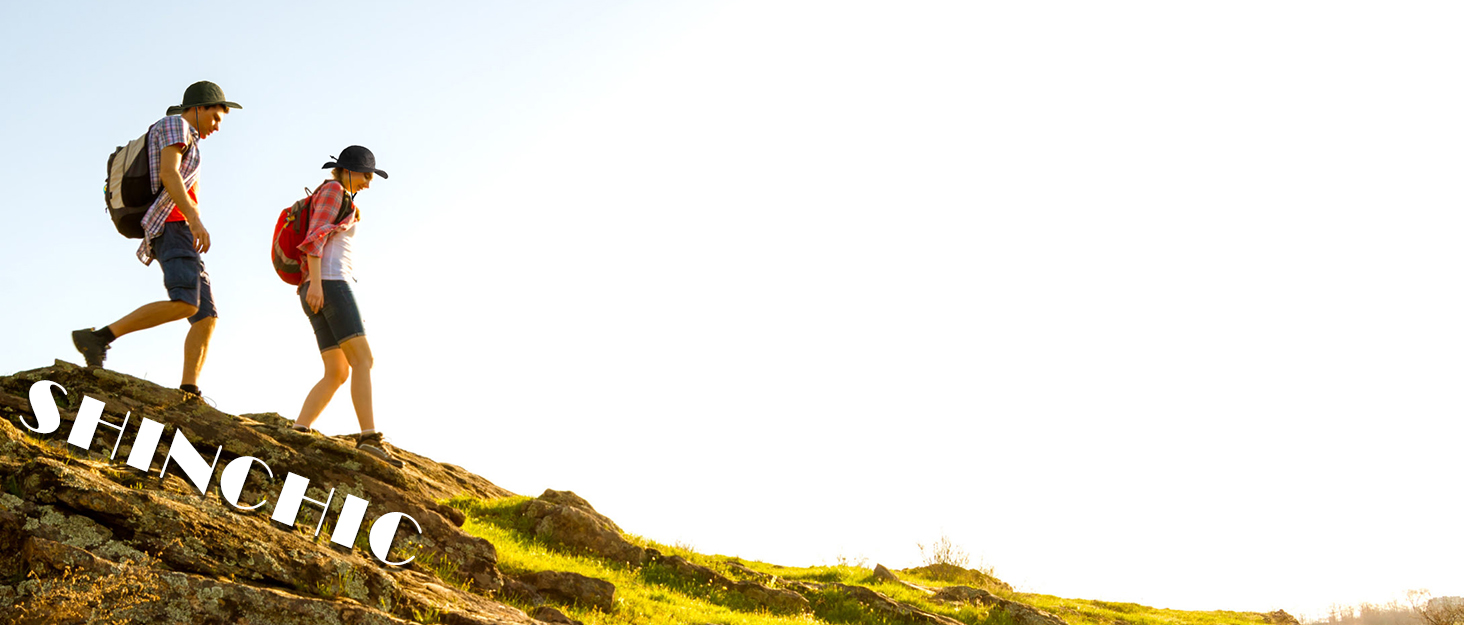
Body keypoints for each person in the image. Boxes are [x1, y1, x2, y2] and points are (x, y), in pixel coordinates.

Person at [72, 81, 241, 399]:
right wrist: (194, 220)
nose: (218, 126)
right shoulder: (177, 124)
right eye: (216, 117)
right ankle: (100, 338)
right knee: (186, 302)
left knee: (206, 317)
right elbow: (169, 173)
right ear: (198, 107)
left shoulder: (190, 139)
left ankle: (189, 391)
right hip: (173, 225)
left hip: (184, 231)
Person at [290, 145, 403, 468]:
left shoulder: (338, 196)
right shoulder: (334, 191)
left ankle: (299, 429)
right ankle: (368, 438)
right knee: (363, 359)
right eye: (367, 175)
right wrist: (316, 282)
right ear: (350, 171)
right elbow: (314, 238)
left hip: (318, 286)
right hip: (329, 284)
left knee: (337, 371)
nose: (369, 182)